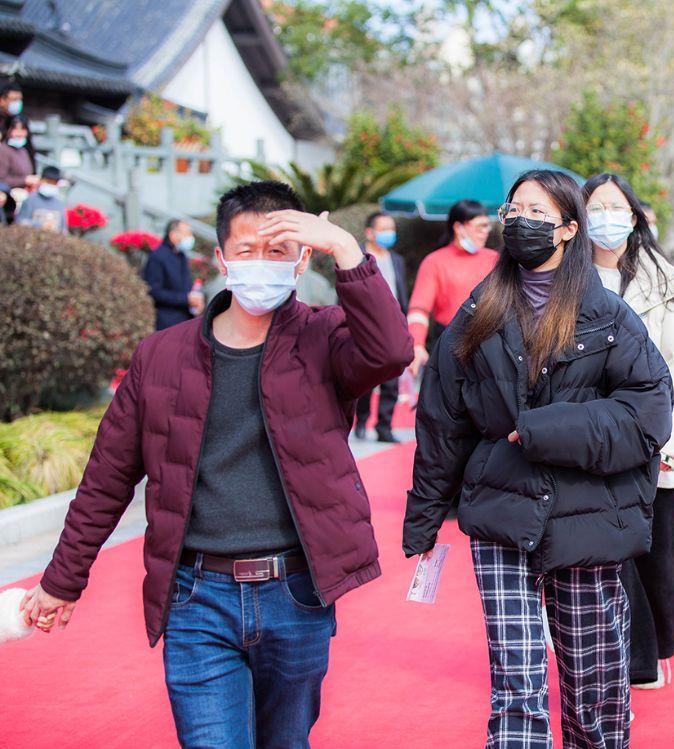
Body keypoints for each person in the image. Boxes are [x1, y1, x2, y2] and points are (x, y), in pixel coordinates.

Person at [19, 181, 414, 747]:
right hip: (196, 596)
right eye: (246, 250)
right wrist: (62, 580)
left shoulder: (325, 337)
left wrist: (346, 249)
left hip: (296, 592)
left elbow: (392, 351)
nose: (261, 264)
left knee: (286, 740)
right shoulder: (162, 356)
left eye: (277, 251)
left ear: (302, 259)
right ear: (222, 258)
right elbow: (105, 479)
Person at [403, 170, 672, 749]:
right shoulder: (479, 314)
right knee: (517, 682)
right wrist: (425, 516)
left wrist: (545, 430)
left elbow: (649, 416)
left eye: (539, 213)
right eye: (514, 210)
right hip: (501, 512)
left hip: (591, 517)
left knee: (592, 687)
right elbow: (442, 420)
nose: (522, 221)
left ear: (570, 229)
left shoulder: (609, 317)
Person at [584, 172, 674, 690]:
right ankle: (635, 655)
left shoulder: (660, 277)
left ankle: (657, 644)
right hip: (590, 434)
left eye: (616, 207)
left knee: (655, 547)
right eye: (595, 207)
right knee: (607, 543)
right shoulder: (564, 275)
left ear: (633, 217)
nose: (606, 218)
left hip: (653, 433)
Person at [406, 199, 498, 377]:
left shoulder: (494, 259)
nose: (485, 232)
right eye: (480, 226)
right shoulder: (435, 261)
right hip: (449, 343)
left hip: (490, 343)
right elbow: (419, 308)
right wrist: (417, 344)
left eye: (488, 226)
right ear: (459, 227)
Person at [355, 211, 410, 442]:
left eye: (392, 229)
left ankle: (384, 427)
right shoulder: (358, 258)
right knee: (365, 379)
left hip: (393, 327)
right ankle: (361, 420)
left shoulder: (396, 260)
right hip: (366, 327)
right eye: (384, 229)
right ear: (370, 232)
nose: (389, 234)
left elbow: (401, 293)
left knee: (392, 381)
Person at [143, 219, 204, 331]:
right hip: (166, 322)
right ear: (172, 235)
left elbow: (186, 286)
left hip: (185, 318)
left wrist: (195, 301)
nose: (191, 237)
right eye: (187, 234)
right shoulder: (157, 257)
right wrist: (185, 299)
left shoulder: (181, 256)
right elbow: (154, 291)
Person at [0, 114, 36, 222]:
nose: (20, 134)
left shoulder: (23, 151)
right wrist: (24, 180)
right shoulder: (3, 150)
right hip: (9, 200)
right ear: (9, 130)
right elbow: (1, 179)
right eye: (16, 129)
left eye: (23, 130)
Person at [15, 165, 66, 233]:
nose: (50, 185)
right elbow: (19, 222)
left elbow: (63, 230)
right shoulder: (30, 200)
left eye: (53, 183)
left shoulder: (59, 205)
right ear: (41, 180)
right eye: (48, 181)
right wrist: (40, 225)